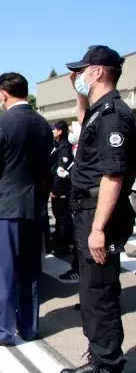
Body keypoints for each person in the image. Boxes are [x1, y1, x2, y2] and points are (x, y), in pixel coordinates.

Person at [60, 45, 136, 373]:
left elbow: (113, 174)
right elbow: (84, 121)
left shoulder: (113, 114)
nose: (78, 76)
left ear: (100, 71)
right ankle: (100, 359)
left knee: (100, 294)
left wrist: (98, 229)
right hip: (87, 212)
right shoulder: (98, 110)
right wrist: (79, 95)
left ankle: (107, 365)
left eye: (83, 70)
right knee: (91, 293)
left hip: (98, 214)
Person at [0, 72, 53, 347]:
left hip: (4, 207)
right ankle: (29, 327)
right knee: (29, 272)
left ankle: (3, 330)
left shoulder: (2, 122)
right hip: (33, 207)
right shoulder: (42, 124)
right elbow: (45, 170)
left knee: (3, 272)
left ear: (3, 93)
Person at [49, 121, 79, 279]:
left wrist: (55, 189)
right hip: (57, 186)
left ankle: (65, 244)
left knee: (63, 217)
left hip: (61, 189)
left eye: (55, 129)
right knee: (59, 216)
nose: (53, 131)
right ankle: (61, 242)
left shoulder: (64, 147)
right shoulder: (57, 145)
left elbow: (61, 170)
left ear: (60, 131)